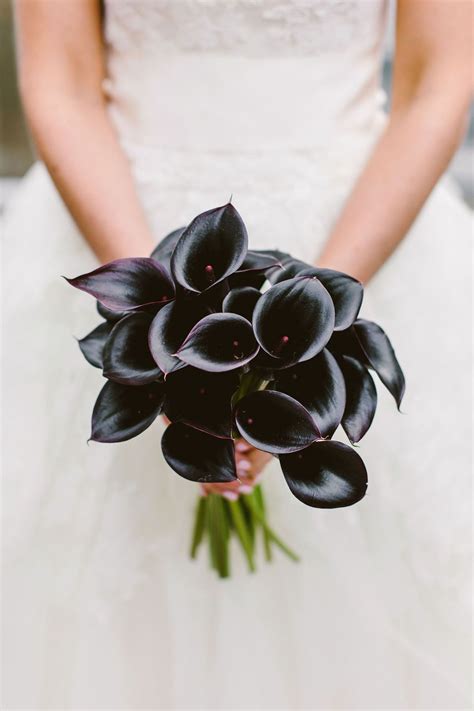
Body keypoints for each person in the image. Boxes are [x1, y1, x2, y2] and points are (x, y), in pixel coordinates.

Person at [3, 1, 472, 708]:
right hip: (117, 223)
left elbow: (438, 81)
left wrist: (311, 332)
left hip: (368, 227)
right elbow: (61, 82)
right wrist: (161, 333)